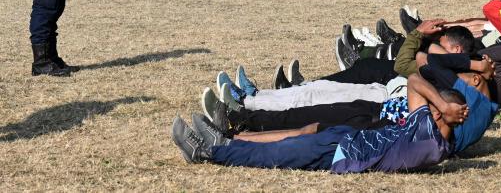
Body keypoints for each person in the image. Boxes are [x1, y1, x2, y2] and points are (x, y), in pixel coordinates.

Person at [171, 74, 469, 172]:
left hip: (343, 155)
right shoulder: (425, 126)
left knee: (278, 155)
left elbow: (418, 83)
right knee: (288, 141)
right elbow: (416, 81)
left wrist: (442, 107)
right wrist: (442, 105)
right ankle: (227, 141)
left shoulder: (431, 142)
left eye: (433, 106)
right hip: (347, 137)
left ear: (440, 115)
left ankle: (209, 152)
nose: (426, 106)